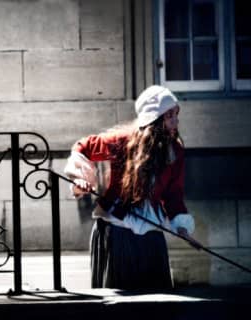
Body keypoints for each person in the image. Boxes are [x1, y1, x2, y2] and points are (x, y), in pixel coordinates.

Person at [64, 85, 195, 290]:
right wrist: (82, 178)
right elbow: (83, 147)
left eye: (176, 114)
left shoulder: (175, 150)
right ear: (155, 120)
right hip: (117, 231)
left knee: (156, 300)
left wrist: (182, 227)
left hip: (151, 234)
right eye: (170, 116)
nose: (176, 121)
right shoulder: (122, 142)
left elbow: (173, 195)